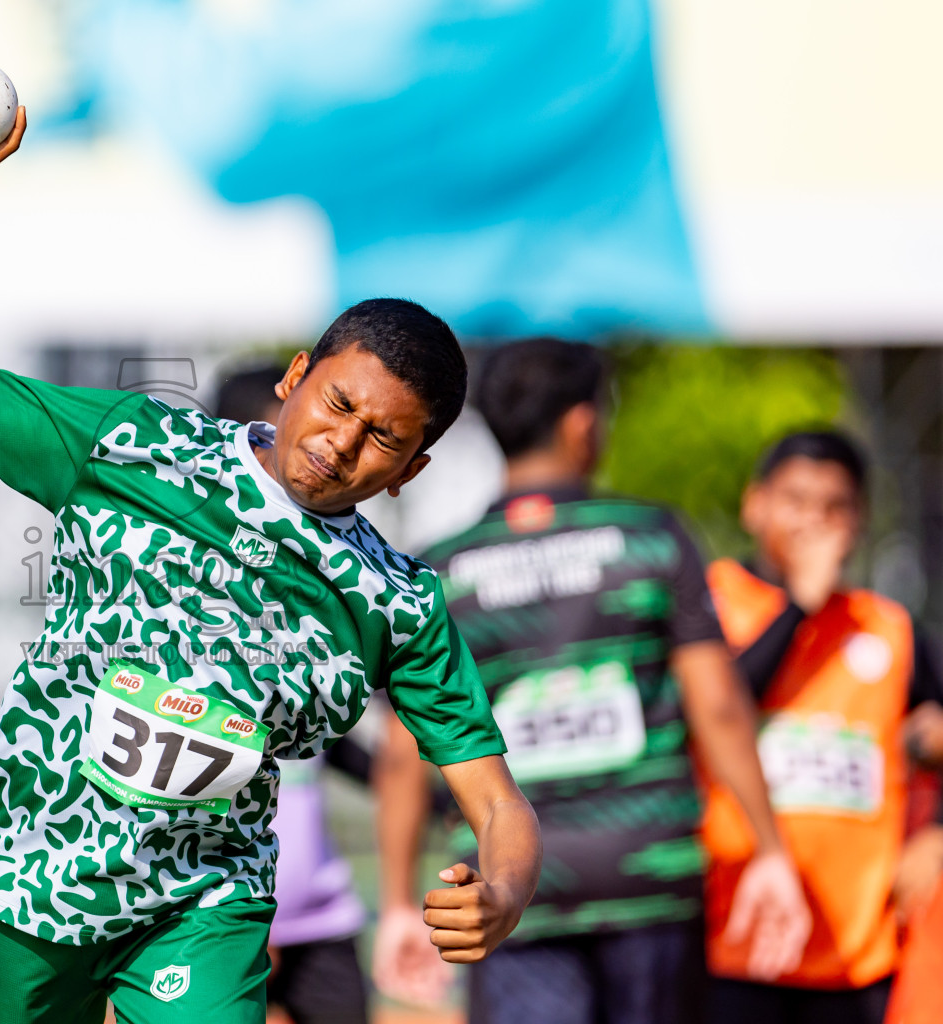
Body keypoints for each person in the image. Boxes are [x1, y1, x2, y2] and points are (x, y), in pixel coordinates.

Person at [0, 102, 542, 1024]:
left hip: (202, 902)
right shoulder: (135, 445)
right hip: (25, 867)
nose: (343, 443)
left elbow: (496, 802)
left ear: (410, 472)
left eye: (383, 437)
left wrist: (501, 890)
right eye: (338, 403)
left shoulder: (397, 603)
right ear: (296, 375)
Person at [374, 338, 810, 1024]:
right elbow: (718, 706)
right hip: (648, 874)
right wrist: (770, 849)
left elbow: (403, 755)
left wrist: (399, 902)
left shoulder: (438, 573)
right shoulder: (650, 540)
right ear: (583, 424)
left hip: (511, 890)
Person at [700, 430, 943, 1024]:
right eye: (797, 500)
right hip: (732, 940)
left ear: (858, 519)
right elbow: (716, 709)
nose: (814, 521)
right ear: (754, 504)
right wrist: (799, 607)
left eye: (834, 506)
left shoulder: (889, 627)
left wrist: (936, 831)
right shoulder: (710, 606)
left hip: (856, 951)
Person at [215, 364, 375, 1024]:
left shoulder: (321, 601)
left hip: (321, 917)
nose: (329, 452)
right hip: (217, 907)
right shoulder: (195, 605)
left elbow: (334, 750)